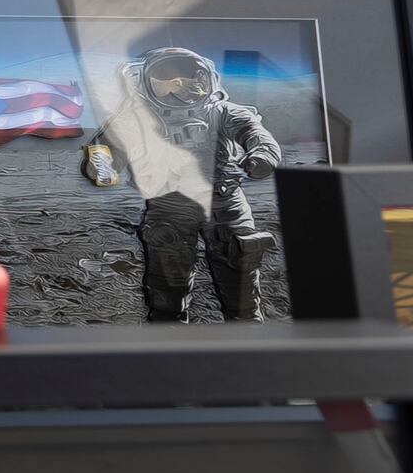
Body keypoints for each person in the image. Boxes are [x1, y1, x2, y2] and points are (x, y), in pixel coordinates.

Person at [85, 45, 281, 320]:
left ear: (205, 78)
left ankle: (246, 347)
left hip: (225, 205)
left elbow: (255, 132)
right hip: (169, 206)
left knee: (242, 292)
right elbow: (106, 149)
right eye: (166, 77)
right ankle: (169, 350)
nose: (178, 84)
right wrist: (102, 167)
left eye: (188, 75)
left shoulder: (222, 111)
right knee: (166, 293)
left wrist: (262, 155)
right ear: (145, 82)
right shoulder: (134, 119)